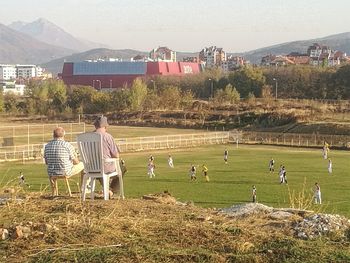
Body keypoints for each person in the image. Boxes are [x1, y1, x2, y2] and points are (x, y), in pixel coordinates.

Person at [44, 127, 84, 195]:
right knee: (83, 165)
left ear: (53, 135)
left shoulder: (47, 146)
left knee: (51, 170)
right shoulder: (67, 145)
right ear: (63, 134)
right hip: (65, 172)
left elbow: (46, 162)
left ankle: (54, 192)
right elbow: (76, 162)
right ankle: (83, 189)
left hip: (51, 173)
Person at [93, 116, 122, 197]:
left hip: (91, 168)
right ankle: (111, 191)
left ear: (95, 126)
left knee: (100, 168)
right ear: (105, 126)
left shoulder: (87, 137)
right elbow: (116, 155)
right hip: (105, 167)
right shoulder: (107, 136)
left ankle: (108, 190)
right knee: (122, 167)